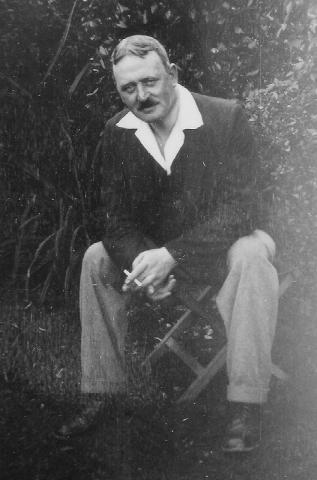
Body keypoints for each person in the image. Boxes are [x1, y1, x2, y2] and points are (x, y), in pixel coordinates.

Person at [58, 35, 279, 453]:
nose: (141, 96)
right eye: (128, 88)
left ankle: (246, 405)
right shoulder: (117, 132)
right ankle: (103, 394)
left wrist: (171, 256)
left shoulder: (225, 118)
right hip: (159, 253)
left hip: (227, 247)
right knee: (95, 258)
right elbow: (115, 220)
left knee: (252, 255)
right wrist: (143, 265)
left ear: (172, 75)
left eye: (149, 81)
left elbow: (242, 210)